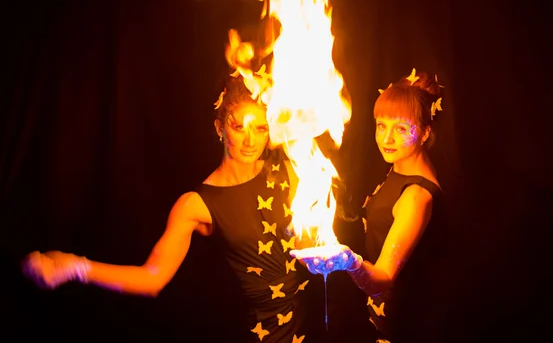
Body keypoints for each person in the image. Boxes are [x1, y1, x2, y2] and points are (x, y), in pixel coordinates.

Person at [22, 75, 324, 343]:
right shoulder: (196, 204)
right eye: (238, 127)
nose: (250, 140)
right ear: (220, 128)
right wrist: (76, 267)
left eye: (260, 129)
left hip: (314, 325)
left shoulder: (291, 170)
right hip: (263, 335)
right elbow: (152, 278)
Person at [292, 69, 445, 342]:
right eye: (381, 125)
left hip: (404, 326)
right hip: (381, 318)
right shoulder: (401, 166)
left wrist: (349, 261)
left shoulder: (416, 195)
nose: (386, 139)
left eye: (401, 129)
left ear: (424, 133)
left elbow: (383, 280)